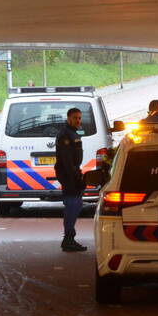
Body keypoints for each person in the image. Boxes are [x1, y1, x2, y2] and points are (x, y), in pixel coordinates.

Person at [54, 107, 88, 252]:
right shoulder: (65, 135)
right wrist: (75, 177)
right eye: (75, 117)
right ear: (68, 118)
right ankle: (68, 239)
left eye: (80, 118)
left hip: (72, 172)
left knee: (76, 204)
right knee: (72, 205)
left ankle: (69, 238)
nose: (78, 120)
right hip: (68, 174)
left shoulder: (72, 133)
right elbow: (67, 161)